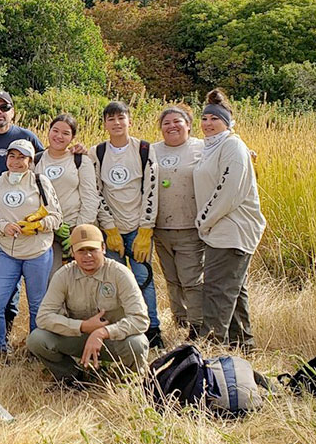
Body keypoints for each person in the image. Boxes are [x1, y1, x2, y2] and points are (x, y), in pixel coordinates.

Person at [27, 224, 150, 386]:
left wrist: (103, 332)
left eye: (93, 249)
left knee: (137, 344)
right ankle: (72, 378)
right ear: (72, 252)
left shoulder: (120, 273)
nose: (88, 256)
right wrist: (83, 326)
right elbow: (43, 318)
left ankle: (129, 381)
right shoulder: (63, 275)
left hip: (114, 340)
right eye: (81, 251)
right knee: (37, 339)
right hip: (78, 338)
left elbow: (141, 319)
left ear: (103, 248)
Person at [193, 89, 266, 351]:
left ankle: (211, 350)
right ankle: (243, 346)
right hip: (217, 228)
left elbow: (228, 191)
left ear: (227, 122)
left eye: (215, 119)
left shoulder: (232, 145)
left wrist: (204, 219)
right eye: (204, 118)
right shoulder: (209, 147)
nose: (208, 123)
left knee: (216, 291)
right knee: (233, 290)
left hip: (232, 229)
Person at [89, 101, 162, 347]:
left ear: (130, 120)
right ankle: (119, 329)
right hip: (111, 233)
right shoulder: (97, 153)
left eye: (121, 118)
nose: (117, 123)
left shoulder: (144, 149)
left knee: (143, 279)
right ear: (105, 124)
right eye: (111, 119)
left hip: (138, 228)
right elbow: (96, 193)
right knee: (113, 283)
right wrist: (109, 229)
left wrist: (145, 229)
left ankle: (152, 329)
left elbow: (151, 191)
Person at [0, 139, 62, 355]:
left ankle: (36, 350)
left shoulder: (40, 181)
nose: (16, 162)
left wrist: (37, 226)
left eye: (22, 158)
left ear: (30, 161)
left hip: (38, 252)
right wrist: (3, 226)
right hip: (8, 253)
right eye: (12, 156)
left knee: (37, 305)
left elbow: (56, 217)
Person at [153, 105, 205, 340]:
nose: (172, 126)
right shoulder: (152, 151)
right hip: (159, 227)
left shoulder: (202, 147)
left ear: (189, 125)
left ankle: (198, 326)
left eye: (178, 121)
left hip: (190, 227)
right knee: (171, 278)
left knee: (192, 279)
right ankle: (179, 319)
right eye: (166, 123)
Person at [36, 114, 99, 274]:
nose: (59, 136)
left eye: (65, 133)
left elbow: (90, 198)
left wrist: (77, 232)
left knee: (79, 281)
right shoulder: (35, 161)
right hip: (45, 230)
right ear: (48, 132)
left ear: (73, 137)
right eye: (55, 131)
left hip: (72, 229)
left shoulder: (81, 161)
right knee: (52, 281)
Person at [0, 91, 45, 180]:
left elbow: (47, 160)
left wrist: (66, 153)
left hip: (20, 192)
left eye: (4, 108)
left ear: (12, 112)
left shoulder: (27, 137)